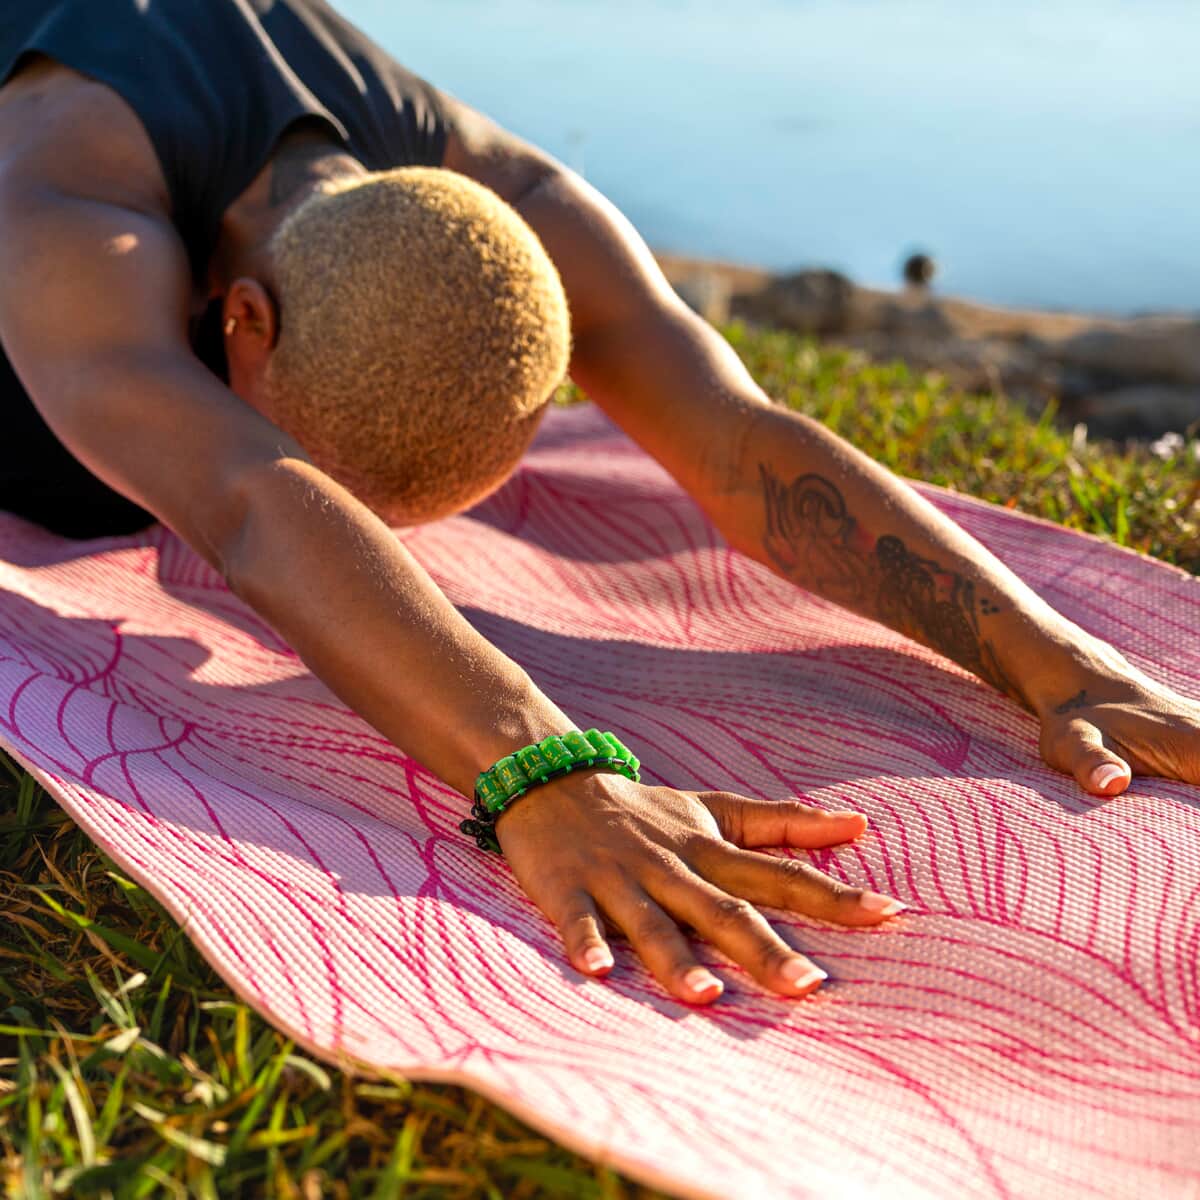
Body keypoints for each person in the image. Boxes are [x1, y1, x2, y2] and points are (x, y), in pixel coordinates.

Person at [1, 1, 1196, 1009]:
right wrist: (549, 775)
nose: (359, 529)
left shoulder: (489, 186)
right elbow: (250, 502)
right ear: (241, 322)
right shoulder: (66, 198)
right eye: (341, 490)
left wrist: (1061, 662)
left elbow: (732, 437)